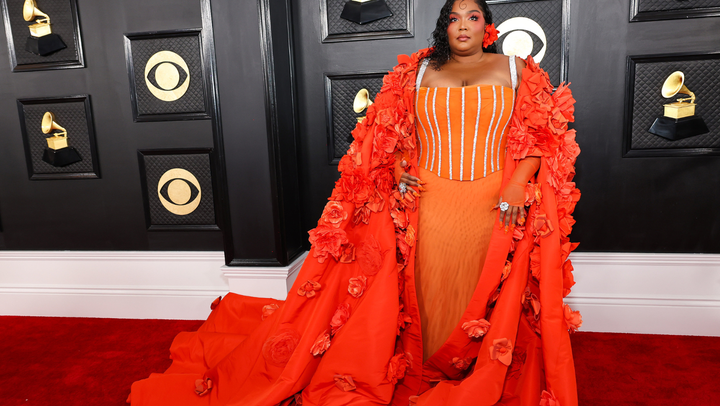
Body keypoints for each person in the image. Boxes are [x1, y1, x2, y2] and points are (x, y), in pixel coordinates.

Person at [128, 0, 581, 405]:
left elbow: (543, 132)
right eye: (453, 18)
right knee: (425, 286)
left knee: (479, 284)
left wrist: (520, 180)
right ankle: (422, 363)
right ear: (444, 28)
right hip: (427, 199)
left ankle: (465, 364)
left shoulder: (520, 71)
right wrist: (402, 164)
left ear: (489, 27)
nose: (463, 25)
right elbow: (394, 133)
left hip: (494, 201)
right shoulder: (416, 72)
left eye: (473, 17)